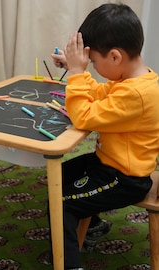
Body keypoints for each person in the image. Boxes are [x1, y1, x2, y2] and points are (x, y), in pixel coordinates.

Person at [50, 3, 159, 269]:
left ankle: (70, 264)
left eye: (95, 62)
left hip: (124, 178)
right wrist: (79, 69)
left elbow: (84, 115)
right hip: (107, 162)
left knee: (61, 204)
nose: (94, 68)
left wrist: (76, 74)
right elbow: (100, 94)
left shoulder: (136, 94)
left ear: (114, 57)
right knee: (57, 178)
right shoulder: (133, 81)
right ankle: (93, 223)